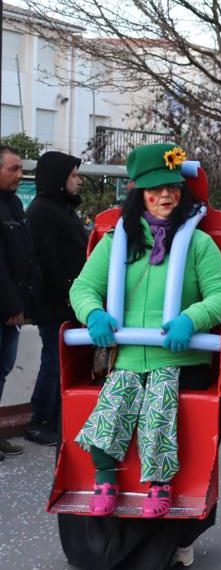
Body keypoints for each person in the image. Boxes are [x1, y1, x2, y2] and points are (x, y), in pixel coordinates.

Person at [70, 143, 221, 517]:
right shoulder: (116, 241)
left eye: (173, 188)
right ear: (140, 194)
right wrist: (93, 314)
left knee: (158, 412)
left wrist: (191, 319)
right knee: (110, 410)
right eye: (156, 189)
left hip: (180, 359)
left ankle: (160, 486)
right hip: (127, 355)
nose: (166, 195)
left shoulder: (198, 242)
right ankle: (104, 481)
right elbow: (82, 288)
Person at [24, 151, 86, 446]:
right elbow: (46, 260)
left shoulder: (62, 209)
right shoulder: (43, 211)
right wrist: (67, 291)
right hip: (54, 302)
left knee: (61, 359)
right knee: (53, 358)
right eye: (73, 175)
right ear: (59, 179)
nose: (78, 180)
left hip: (68, 300)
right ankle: (41, 419)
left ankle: (57, 415)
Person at [0, 144, 32, 460]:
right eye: (13, 169)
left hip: (13, 308)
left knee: (3, 369)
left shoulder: (14, 206)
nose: (20, 175)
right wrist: (11, 306)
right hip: (5, 308)